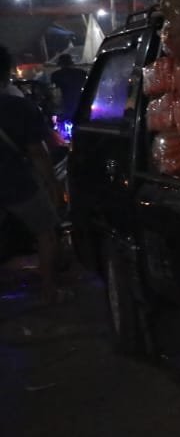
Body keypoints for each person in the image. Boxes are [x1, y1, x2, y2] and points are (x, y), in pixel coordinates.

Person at [0, 46, 63, 304]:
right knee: (46, 232)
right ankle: (48, 291)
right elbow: (38, 153)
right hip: (17, 185)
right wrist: (52, 185)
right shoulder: (18, 107)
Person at [50, 53, 89, 122]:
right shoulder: (82, 73)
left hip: (65, 107)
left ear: (60, 64)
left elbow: (55, 94)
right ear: (71, 63)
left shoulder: (56, 75)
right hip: (81, 105)